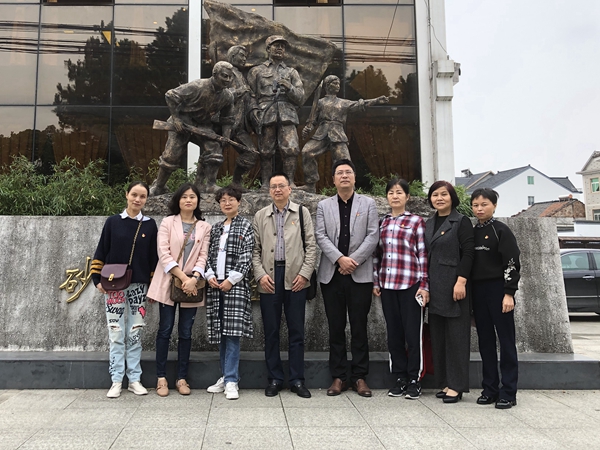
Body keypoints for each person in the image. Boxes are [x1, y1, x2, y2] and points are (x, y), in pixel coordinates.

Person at [315, 159, 379, 397]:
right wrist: (340, 259)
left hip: (359, 274)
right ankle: (339, 377)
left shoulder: (368, 204)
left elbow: (373, 236)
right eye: (339, 173)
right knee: (336, 327)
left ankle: (360, 376)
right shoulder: (323, 205)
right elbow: (321, 236)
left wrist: (353, 261)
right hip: (332, 274)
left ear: (354, 177)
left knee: (359, 326)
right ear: (333, 179)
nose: (344, 176)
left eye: (348, 172)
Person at [252, 172, 317, 398]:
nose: (277, 190)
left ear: (290, 189)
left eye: (281, 186)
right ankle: (275, 378)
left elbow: (311, 246)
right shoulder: (260, 215)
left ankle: (297, 379)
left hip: (296, 277)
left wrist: (305, 274)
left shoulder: (301, 212)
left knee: (296, 330)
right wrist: (260, 275)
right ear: (269, 191)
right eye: (273, 187)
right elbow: (254, 250)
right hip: (269, 278)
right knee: (271, 331)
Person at [91, 181, 158, 398]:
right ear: (126, 194)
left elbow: (153, 258)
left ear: (146, 200)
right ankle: (116, 379)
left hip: (139, 286)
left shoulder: (149, 225)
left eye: (142, 196)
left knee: (135, 332)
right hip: (114, 285)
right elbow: (101, 250)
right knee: (116, 332)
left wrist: (153, 286)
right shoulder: (113, 222)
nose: (137, 199)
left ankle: (135, 379)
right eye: (134, 194)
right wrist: (96, 279)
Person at [146, 183, 211, 397]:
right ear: (178, 200)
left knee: (186, 332)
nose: (188, 200)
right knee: (165, 329)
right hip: (168, 282)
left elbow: (203, 255)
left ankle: (182, 378)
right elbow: (163, 252)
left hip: (192, 286)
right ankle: (161, 377)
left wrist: (195, 278)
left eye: (192, 196)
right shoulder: (167, 222)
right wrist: (183, 277)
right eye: (184, 197)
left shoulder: (204, 226)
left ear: (197, 200)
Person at [372, 178, 429, 400]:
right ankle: (399, 377)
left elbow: (422, 254)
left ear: (407, 197)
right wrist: (376, 282)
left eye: (399, 192)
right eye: (391, 193)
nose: (395, 196)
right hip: (388, 285)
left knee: (413, 335)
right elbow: (377, 255)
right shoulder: (382, 222)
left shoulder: (416, 221)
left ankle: (415, 379)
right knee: (394, 334)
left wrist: (424, 285)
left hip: (411, 285)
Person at [150, 61, 235, 195]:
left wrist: (226, 136)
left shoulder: (228, 96)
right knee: (171, 156)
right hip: (182, 122)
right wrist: (176, 119)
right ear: (214, 74)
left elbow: (227, 118)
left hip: (203, 125)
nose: (228, 80)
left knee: (214, 149)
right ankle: (159, 186)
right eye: (225, 76)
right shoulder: (198, 86)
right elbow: (170, 95)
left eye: (230, 77)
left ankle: (208, 184)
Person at [471, 188, 521, 409]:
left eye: (484, 204)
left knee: (506, 341)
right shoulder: (472, 232)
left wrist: (509, 293)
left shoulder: (501, 230)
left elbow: (512, 262)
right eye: (475, 205)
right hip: (478, 291)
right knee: (485, 341)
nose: (479, 209)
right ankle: (489, 388)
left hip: (499, 290)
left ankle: (508, 392)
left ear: (494, 206)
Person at [424, 181, 474, 403]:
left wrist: (461, 281)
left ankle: (457, 385)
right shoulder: (429, 223)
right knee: (439, 337)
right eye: (435, 195)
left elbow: (469, 253)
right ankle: (444, 382)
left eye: (444, 194)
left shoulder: (461, 221)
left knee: (456, 337)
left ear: (452, 197)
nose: (439, 198)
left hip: (454, 287)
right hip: (434, 287)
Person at [204, 185, 254, 400]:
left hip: (235, 286)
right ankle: (226, 376)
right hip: (215, 286)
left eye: (231, 199)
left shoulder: (246, 226)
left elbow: (247, 256)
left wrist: (231, 280)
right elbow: (206, 255)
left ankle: (232, 380)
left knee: (233, 333)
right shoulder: (215, 228)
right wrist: (209, 275)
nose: (227, 203)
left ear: (238, 202)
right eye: (223, 200)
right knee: (221, 332)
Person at [299, 75, 388, 193]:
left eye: (338, 84)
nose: (338, 86)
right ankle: (310, 184)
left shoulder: (343, 103)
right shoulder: (320, 102)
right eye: (334, 83)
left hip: (338, 135)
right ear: (327, 86)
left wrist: (376, 100)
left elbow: (359, 104)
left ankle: (350, 189)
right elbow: (313, 120)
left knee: (345, 162)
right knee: (306, 152)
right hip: (321, 134)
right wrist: (308, 128)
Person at [247, 36, 304, 189]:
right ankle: (266, 184)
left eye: (282, 46)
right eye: (276, 45)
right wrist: (254, 110)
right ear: (268, 49)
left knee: (291, 149)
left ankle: (290, 182)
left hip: (287, 114)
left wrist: (289, 87)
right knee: (265, 151)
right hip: (266, 113)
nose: (280, 48)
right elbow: (250, 95)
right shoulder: (257, 71)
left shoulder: (291, 72)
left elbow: (300, 97)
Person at [225, 45, 259, 190]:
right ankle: (205, 183)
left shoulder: (240, 75)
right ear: (233, 56)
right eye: (242, 55)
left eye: (245, 56)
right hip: (225, 123)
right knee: (212, 154)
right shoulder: (226, 71)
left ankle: (236, 182)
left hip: (239, 126)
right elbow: (220, 94)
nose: (244, 59)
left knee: (251, 153)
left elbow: (249, 97)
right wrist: (240, 91)